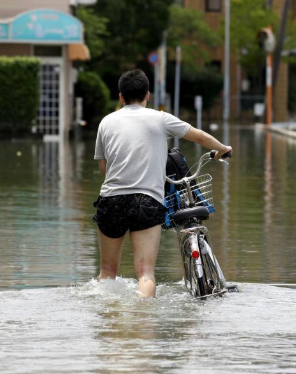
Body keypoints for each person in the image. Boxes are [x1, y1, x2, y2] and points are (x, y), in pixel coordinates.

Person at [93, 69, 232, 298]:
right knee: (145, 273)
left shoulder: (106, 122)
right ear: (148, 95)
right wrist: (223, 149)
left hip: (110, 200)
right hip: (145, 202)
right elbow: (199, 136)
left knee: (107, 272)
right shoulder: (160, 118)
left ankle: (108, 325)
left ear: (120, 97)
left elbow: (103, 169)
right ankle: (143, 322)